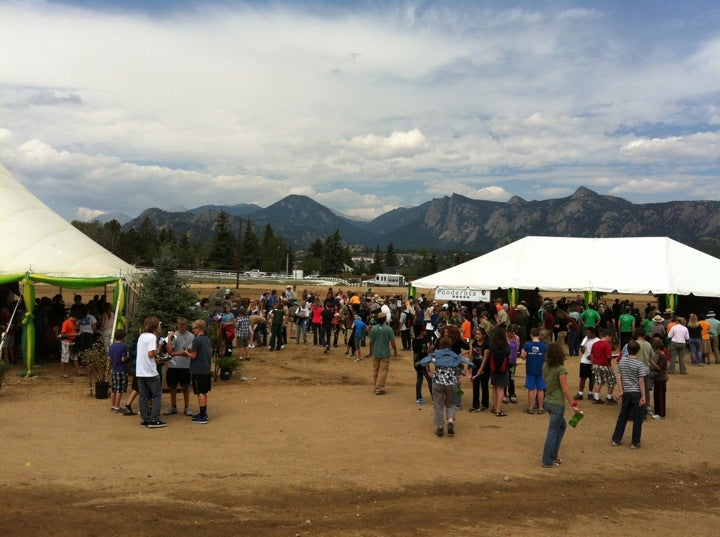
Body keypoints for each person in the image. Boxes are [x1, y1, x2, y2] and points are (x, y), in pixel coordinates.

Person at [418, 335, 473, 437]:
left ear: (440, 345)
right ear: (451, 345)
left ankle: (440, 427)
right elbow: (466, 363)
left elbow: (424, 361)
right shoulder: (454, 355)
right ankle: (450, 422)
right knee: (451, 403)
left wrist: (429, 371)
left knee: (438, 405)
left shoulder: (436, 354)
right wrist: (463, 374)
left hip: (438, 381)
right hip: (452, 382)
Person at [541, 342, 582, 468]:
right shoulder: (561, 369)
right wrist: (574, 405)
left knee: (561, 426)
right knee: (553, 431)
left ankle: (553, 456)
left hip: (548, 401)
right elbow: (565, 389)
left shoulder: (544, 366)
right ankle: (548, 460)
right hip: (557, 403)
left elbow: (545, 381)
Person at [611, 340, 647, 449]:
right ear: (638, 351)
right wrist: (643, 395)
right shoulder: (640, 364)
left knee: (623, 416)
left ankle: (616, 439)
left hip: (626, 392)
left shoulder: (622, 362)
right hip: (636, 393)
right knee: (637, 418)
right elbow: (641, 381)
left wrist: (621, 390)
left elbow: (619, 378)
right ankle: (635, 442)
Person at [136, 316, 167, 428]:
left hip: (140, 371)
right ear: (155, 326)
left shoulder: (142, 336)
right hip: (150, 371)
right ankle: (154, 419)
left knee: (143, 396)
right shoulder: (152, 337)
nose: (160, 327)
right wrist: (158, 350)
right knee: (157, 395)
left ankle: (145, 418)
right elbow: (150, 353)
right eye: (159, 325)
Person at [164, 317, 194, 417]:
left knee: (185, 386)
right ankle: (173, 406)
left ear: (186, 325)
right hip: (173, 365)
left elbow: (188, 351)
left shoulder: (191, 336)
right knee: (172, 387)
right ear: (177, 325)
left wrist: (174, 353)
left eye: (183, 326)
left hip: (185, 365)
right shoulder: (174, 335)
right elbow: (169, 351)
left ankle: (187, 406)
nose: (182, 328)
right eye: (180, 326)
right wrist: (169, 338)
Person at [184, 319, 212, 424]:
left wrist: (186, 352)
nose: (193, 331)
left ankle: (203, 415)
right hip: (206, 369)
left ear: (198, 328)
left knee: (200, 392)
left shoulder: (197, 340)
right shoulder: (206, 339)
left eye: (194, 328)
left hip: (198, 370)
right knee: (204, 392)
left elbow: (193, 355)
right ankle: (203, 413)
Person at [368, 311, 397, 395]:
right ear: (385, 319)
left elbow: (371, 341)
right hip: (384, 353)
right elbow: (392, 342)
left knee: (375, 370)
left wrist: (370, 351)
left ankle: (376, 385)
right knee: (383, 371)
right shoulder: (388, 329)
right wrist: (395, 350)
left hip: (375, 352)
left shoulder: (373, 328)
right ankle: (379, 388)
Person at [521, 327, 547, 415]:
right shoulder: (544, 346)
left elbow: (523, 357)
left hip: (530, 369)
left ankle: (531, 408)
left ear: (531, 335)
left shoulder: (527, 345)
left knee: (531, 389)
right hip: (541, 370)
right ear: (539, 335)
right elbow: (546, 358)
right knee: (541, 389)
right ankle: (540, 408)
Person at [590, 329, 618, 404]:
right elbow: (608, 356)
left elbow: (592, 355)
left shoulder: (595, 344)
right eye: (610, 338)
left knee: (598, 382)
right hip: (605, 365)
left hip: (596, 365)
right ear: (607, 336)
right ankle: (609, 398)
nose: (610, 340)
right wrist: (614, 356)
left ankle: (597, 398)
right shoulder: (606, 345)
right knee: (611, 382)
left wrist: (593, 364)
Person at [488, 325, 510, 416]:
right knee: (501, 388)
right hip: (503, 368)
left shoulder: (492, 345)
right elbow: (509, 355)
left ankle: (494, 406)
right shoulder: (506, 346)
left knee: (494, 387)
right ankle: (498, 410)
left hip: (493, 368)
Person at [411, 323, 434, 405]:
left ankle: (419, 398)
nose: (426, 331)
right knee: (430, 380)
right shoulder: (423, 341)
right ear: (421, 332)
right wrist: (427, 365)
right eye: (424, 330)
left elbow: (420, 352)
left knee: (419, 380)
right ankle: (434, 398)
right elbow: (424, 354)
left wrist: (429, 350)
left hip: (416, 363)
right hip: (423, 363)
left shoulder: (414, 340)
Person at [469, 327, 490, 412]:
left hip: (485, 368)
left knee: (484, 386)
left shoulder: (486, 345)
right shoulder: (474, 343)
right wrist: (470, 366)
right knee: (475, 386)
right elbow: (472, 355)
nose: (476, 336)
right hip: (475, 366)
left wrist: (480, 369)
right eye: (476, 334)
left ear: (483, 335)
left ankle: (485, 404)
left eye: (479, 334)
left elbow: (485, 358)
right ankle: (475, 405)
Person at [108, 329, 129, 412]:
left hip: (114, 369)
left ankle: (113, 405)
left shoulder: (112, 346)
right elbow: (123, 359)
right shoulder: (123, 346)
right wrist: (127, 356)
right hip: (121, 369)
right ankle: (117, 406)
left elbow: (109, 358)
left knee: (114, 388)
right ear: (122, 337)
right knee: (119, 389)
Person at [60, 311, 85, 378]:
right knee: (64, 357)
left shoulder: (73, 322)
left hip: (72, 341)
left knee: (75, 356)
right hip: (66, 341)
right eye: (76, 319)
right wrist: (75, 334)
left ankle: (79, 371)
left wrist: (77, 332)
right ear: (73, 317)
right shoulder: (66, 322)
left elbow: (73, 330)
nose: (77, 320)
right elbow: (63, 334)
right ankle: (63, 372)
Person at [649, 339, 668, 419]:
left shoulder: (662, 356)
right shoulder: (662, 355)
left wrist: (652, 361)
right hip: (659, 378)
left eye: (655, 349)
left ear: (658, 348)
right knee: (657, 396)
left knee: (660, 396)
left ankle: (661, 414)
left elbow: (659, 368)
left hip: (660, 378)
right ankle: (658, 412)